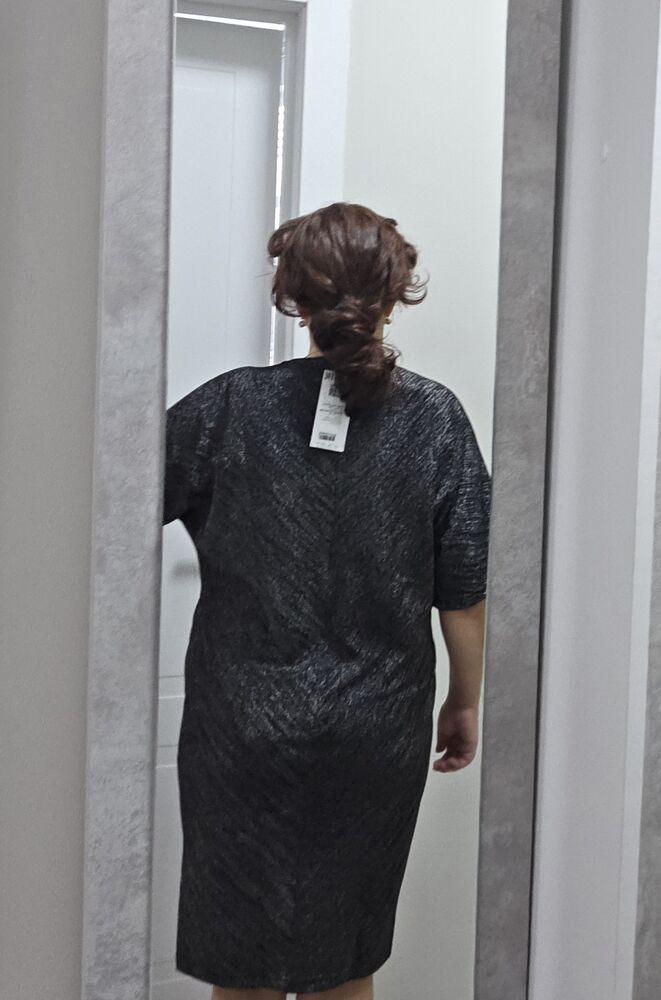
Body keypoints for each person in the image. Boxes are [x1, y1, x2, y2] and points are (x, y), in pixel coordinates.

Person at [162, 201, 492, 1000]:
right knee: (345, 961)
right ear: (394, 295)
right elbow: (464, 590)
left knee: (240, 961)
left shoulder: (227, 408)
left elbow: (104, 518)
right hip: (376, 730)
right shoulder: (435, 420)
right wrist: (463, 700)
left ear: (293, 297)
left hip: (240, 728)